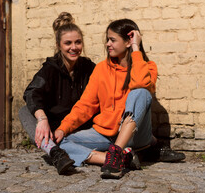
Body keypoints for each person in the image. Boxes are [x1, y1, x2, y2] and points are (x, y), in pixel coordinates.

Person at [54, 18, 159, 179]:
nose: (108, 44)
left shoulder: (147, 66)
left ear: (128, 42)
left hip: (135, 136)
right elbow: (85, 105)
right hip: (105, 135)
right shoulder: (101, 69)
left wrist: (136, 48)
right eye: (107, 40)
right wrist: (63, 128)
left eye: (112, 40)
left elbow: (139, 83)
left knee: (140, 93)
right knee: (61, 143)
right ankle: (117, 157)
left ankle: (116, 153)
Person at [19, 12, 95, 175]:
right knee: (24, 111)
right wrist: (42, 118)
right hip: (54, 130)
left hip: (80, 128)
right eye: (68, 43)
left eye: (78, 42)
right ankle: (56, 154)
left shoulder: (89, 68)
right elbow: (32, 93)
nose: (73, 48)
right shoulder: (50, 69)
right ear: (59, 45)